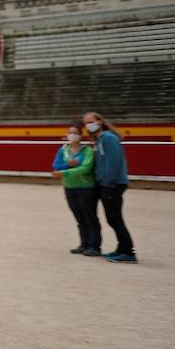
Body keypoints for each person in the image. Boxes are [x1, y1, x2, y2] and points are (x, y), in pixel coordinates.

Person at [82, 111, 136, 263]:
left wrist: (107, 182)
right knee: (113, 219)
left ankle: (128, 252)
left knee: (115, 219)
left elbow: (113, 162)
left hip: (112, 184)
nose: (88, 125)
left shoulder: (108, 138)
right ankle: (122, 248)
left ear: (99, 122)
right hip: (108, 184)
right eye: (86, 123)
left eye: (91, 121)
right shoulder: (100, 139)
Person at [52, 124, 99, 256]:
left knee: (89, 216)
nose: (72, 135)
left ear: (80, 135)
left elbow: (85, 169)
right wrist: (68, 165)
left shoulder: (87, 151)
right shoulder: (63, 150)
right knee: (79, 217)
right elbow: (55, 166)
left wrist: (64, 172)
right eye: (70, 132)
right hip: (69, 187)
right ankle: (84, 244)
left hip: (86, 188)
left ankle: (94, 246)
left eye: (75, 133)